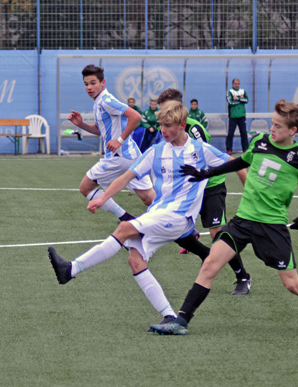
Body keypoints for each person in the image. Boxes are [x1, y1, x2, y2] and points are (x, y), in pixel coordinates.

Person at [150, 99, 298, 335]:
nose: (272, 130)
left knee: (292, 284)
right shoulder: (260, 143)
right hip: (242, 221)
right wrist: (205, 173)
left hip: (272, 227)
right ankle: (180, 321)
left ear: (293, 131)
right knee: (211, 264)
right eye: (272, 124)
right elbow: (239, 163)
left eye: (278, 127)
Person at [48, 101, 234, 330]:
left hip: (178, 217)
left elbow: (236, 164)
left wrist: (236, 184)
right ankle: (170, 317)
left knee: (124, 229)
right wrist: (101, 198)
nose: (163, 130)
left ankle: (71, 270)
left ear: (182, 125)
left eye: (168, 126)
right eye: (161, 125)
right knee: (135, 260)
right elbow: (125, 178)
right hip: (159, 213)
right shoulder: (156, 151)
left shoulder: (200, 150)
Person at [157, 88, 252, 295]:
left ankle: (242, 275)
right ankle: (204, 254)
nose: (164, 119)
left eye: (169, 112)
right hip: (187, 188)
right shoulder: (164, 130)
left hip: (210, 186)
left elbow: (216, 159)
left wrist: (249, 188)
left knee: (218, 234)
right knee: (172, 227)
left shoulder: (194, 129)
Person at [68, 65, 155, 222]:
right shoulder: (98, 102)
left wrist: (119, 140)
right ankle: (187, 233)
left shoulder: (106, 101)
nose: (89, 87)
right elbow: (101, 131)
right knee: (150, 199)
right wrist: (81, 124)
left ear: (103, 83)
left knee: (85, 187)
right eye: (86, 84)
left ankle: (127, 220)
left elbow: (135, 116)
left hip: (119, 157)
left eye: (93, 83)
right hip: (131, 156)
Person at [226, 78, 249, 154]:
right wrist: (240, 99)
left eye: (238, 84)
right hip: (233, 117)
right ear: (233, 84)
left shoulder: (243, 91)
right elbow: (231, 102)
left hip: (242, 116)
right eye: (235, 84)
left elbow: (246, 100)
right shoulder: (230, 92)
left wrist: (237, 98)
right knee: (230, 134)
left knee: (244, 134)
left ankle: (245, 149)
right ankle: (229, 149)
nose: (237, 85)